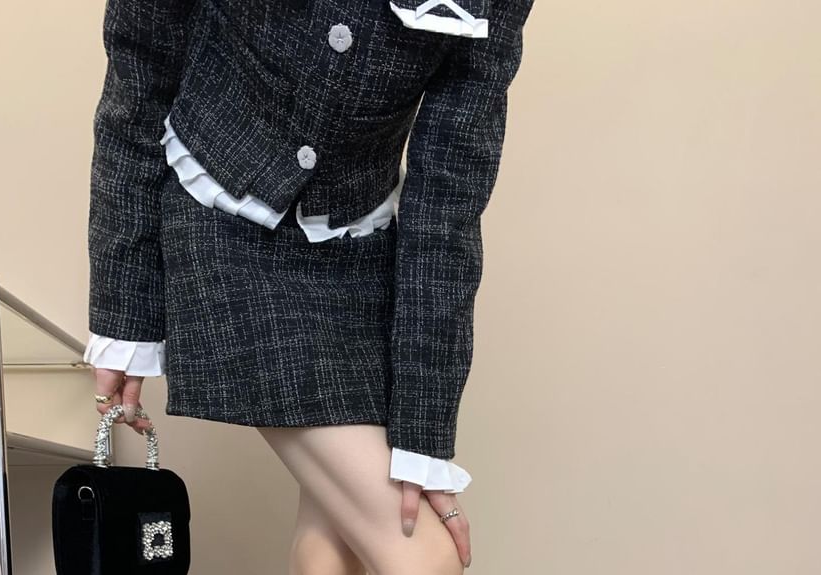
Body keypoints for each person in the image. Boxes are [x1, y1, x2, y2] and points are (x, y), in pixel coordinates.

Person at [83, 0, 536, 572]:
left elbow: (450, 191)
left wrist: (425, 434)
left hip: (363, 249)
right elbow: (139, 75)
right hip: (223, 222)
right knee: (427, 558)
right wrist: (126, 316)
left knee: (329, 553)